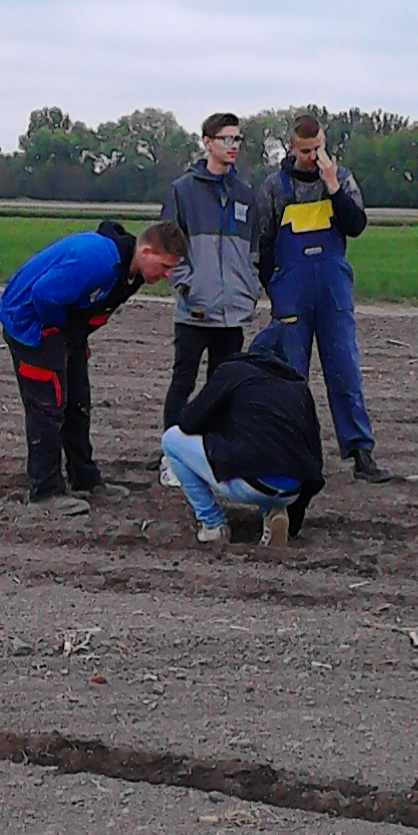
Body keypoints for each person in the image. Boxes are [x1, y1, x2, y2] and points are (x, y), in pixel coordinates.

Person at [0, 218, 185, 511]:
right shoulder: (98, 260)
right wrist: (60, 332)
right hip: (31, 323)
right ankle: (45, 492)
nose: (168, 275)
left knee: (78, 402)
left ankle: (84, 478)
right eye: (165, 267)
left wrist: (72, 336)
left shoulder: (130, 274)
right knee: (47, 406)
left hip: (64, 328)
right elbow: (44, 294)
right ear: (146, 252)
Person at [255, 114, 391, 480]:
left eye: (318, 149)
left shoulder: (342, 179)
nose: (313, 157)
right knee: (290, 376)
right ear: (291, 149)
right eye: (306, 151)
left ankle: (360, 452)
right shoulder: (275, 188)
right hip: (291, 295)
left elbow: (356, 225)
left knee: (344, 370)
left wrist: (332, 187)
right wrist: (275, 288)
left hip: (333, 293)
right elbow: (263, 244)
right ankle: (291, 453)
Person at [157, 112, 260, 486]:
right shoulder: (182, 191)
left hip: (232, 314)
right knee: (183, 382)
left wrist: (249, 290)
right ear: (207, 143)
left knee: (223, 387)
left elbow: (254, 251)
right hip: (194, 313)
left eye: (237, 139)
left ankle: (214, 456)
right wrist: (189, 289)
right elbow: (168, 245)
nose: (233, 146)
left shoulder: (246, 194)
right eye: (226, 139)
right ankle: (172, 458)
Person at [160, 323, 324, 547]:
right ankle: (274, 512)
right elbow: (315, 458)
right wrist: (296, 520)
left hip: (249, 482)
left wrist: (219, 425)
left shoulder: (234, 371)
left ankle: (212, 524)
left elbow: (189, 422)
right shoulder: (299, 388)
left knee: (171, 440)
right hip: (292, 489)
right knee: (271, 447)